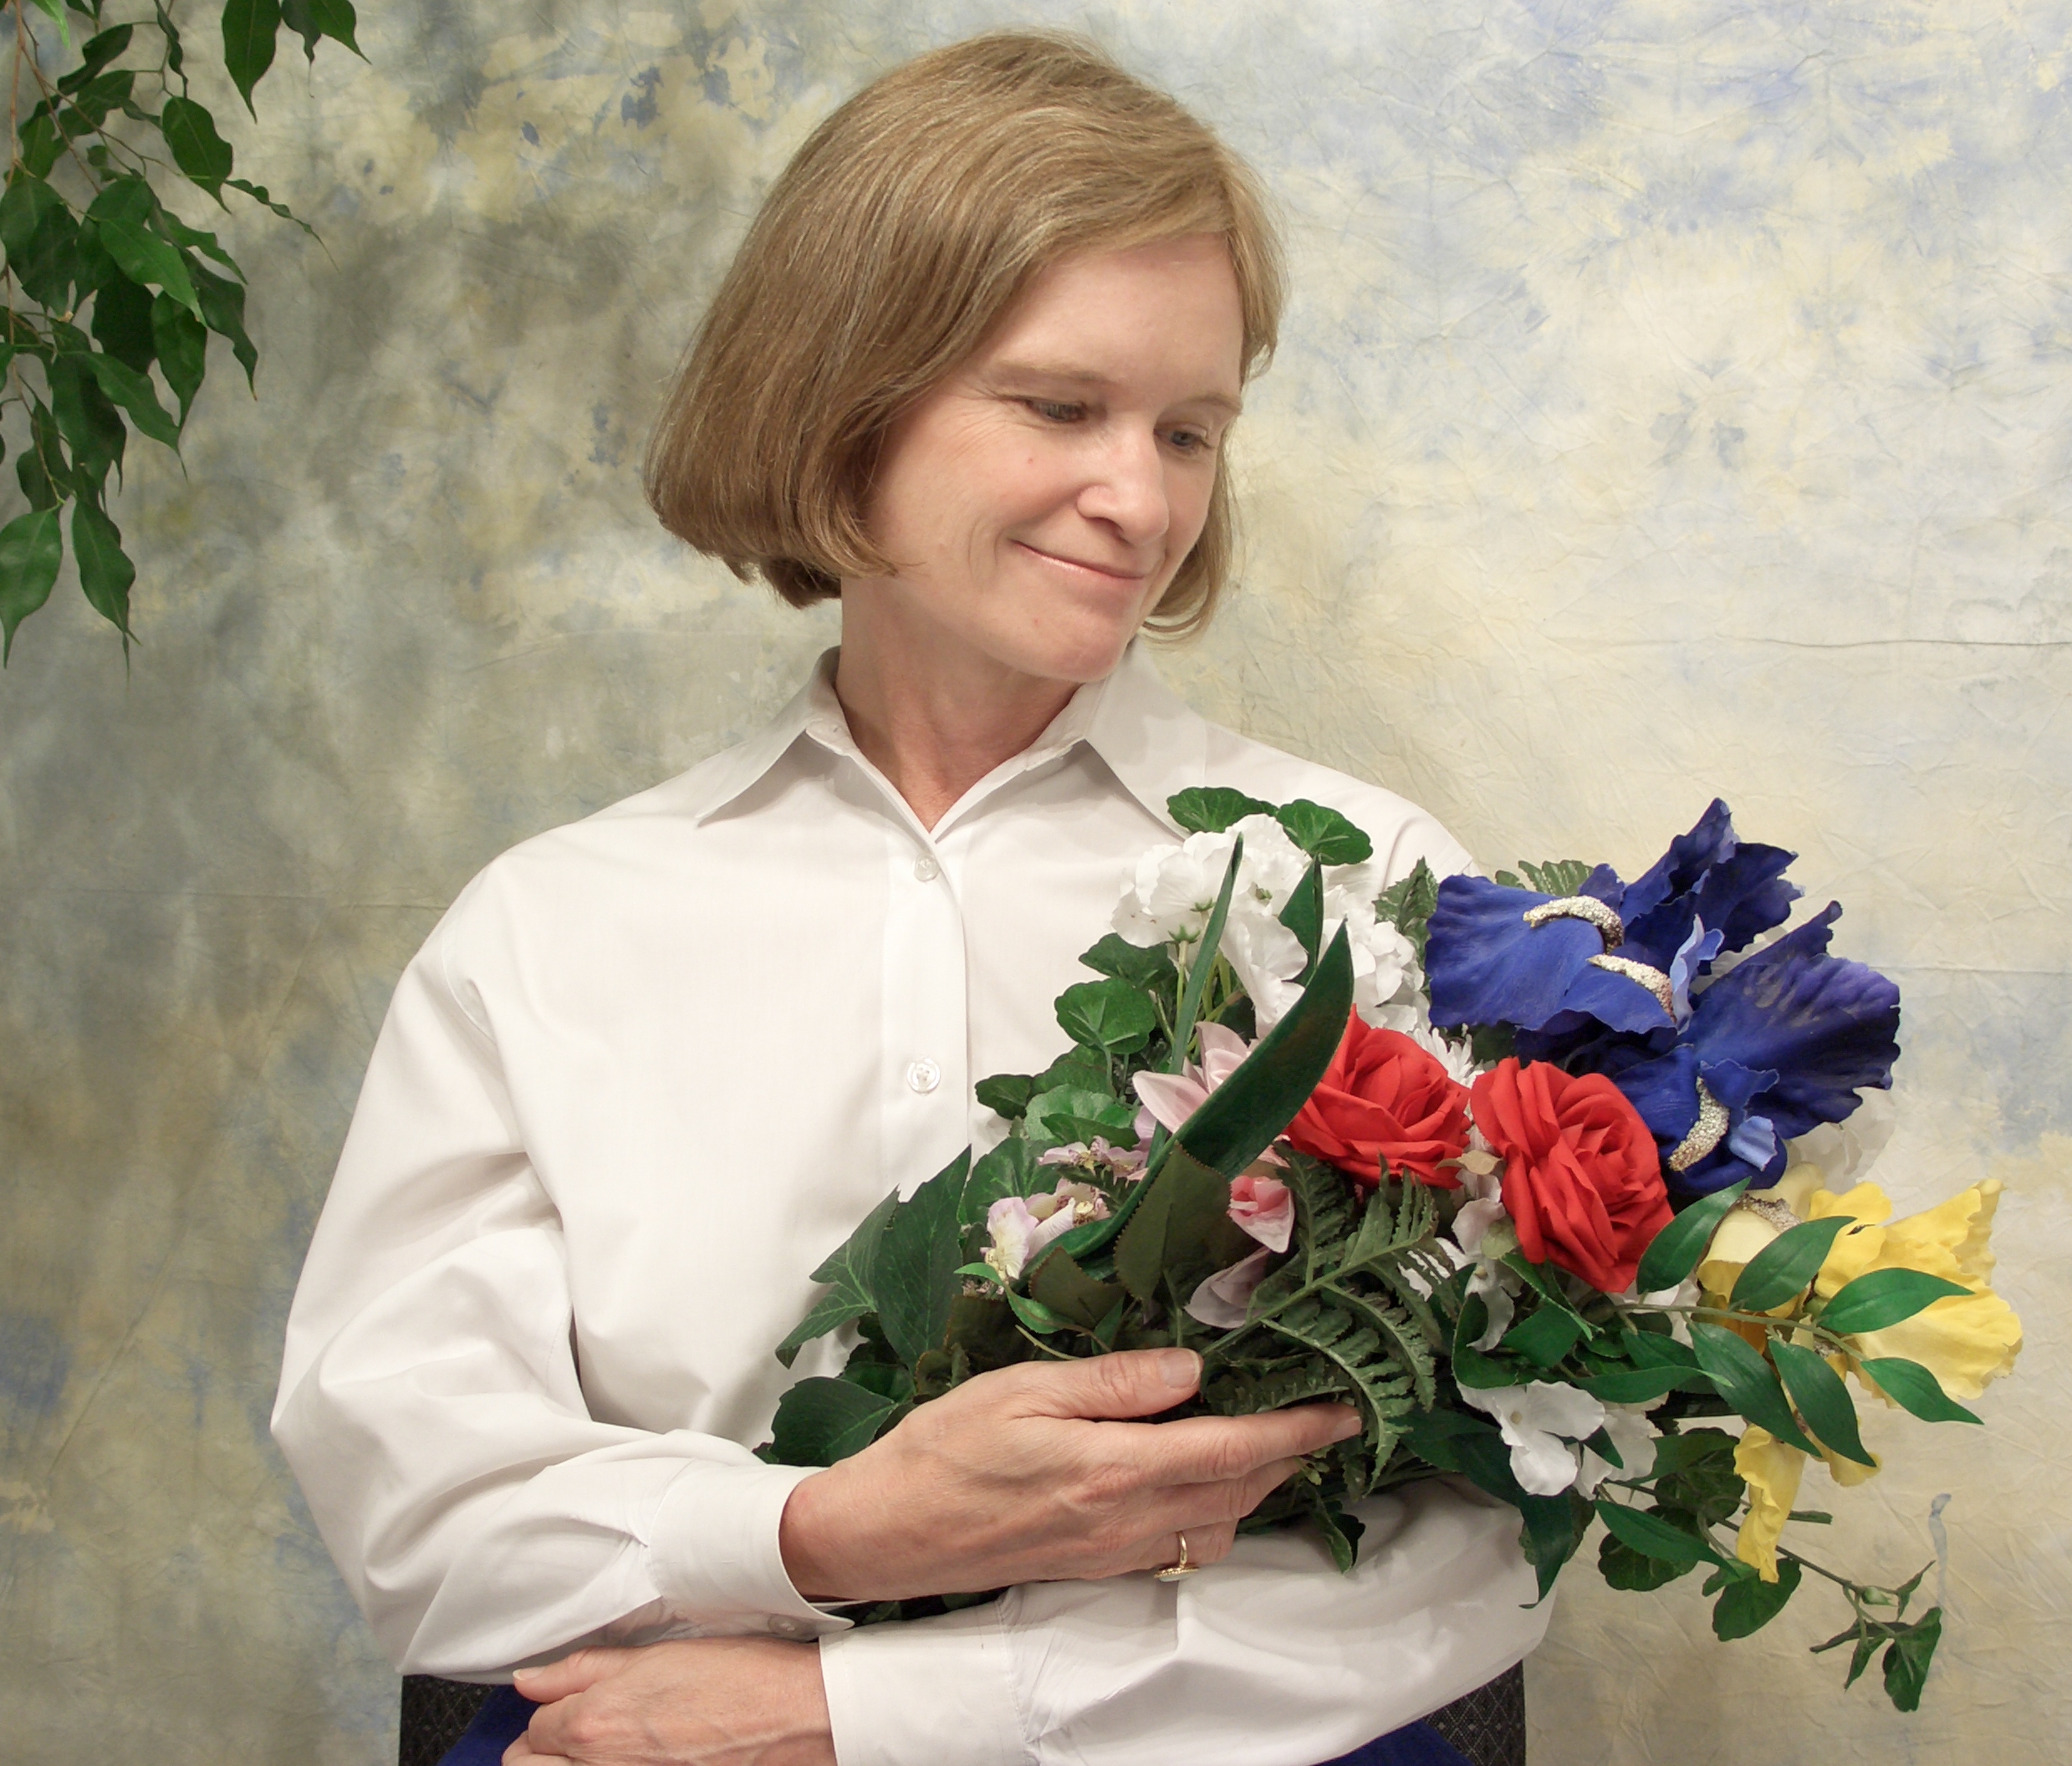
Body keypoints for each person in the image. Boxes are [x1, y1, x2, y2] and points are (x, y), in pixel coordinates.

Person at [273, 31, 1549, 1766]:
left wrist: (854, 1710)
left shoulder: (1366, 892)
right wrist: (824, 1537)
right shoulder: (548, 931)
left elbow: (1464, 1558)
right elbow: (418, 1506)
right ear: (841, 398)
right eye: (1060, 407)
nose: (1143, 499)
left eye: (1189, 430)